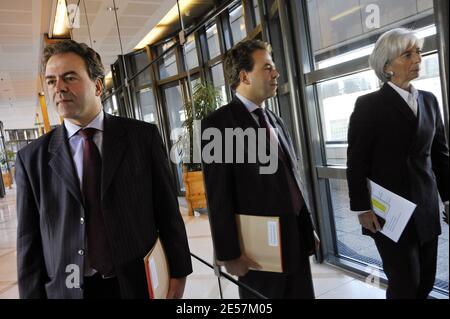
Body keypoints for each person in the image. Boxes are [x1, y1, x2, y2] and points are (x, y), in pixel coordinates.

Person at [15, 40, 192, 299]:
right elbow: (28, 245)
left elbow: (167, 213)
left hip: (136, 284)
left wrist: (178, 273)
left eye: (69, 77)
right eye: (51, 81)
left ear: (98, 85)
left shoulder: (142, 138)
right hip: (69, 290)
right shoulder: (31, 159)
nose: (59, 88)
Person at [201, 39, 318, 299]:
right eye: (267, 67)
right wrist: (229, 254)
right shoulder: (220, 124)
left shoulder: (274, 119)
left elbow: (291, 177)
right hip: (258, 252)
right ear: (244, 76)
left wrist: (306, 226)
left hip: (295, 240)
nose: (276, 73)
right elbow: (218, 196)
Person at [347, 28, 449, 299]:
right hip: (390, 213)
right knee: (405, 284)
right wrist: (361, 208)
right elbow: (356, 162)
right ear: (387, 66)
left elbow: (440, 154)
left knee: (426, 281)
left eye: (418, 51)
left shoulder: (429, 100)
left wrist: (448, 198)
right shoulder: (368, 105)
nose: (418, 58)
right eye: (408, 54)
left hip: (426, 205)